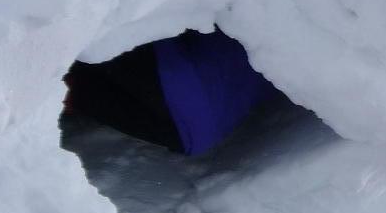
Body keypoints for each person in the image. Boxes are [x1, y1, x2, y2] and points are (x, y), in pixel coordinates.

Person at [63, 28, 297, 156]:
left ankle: (59, 79)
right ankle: (68, 89)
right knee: (82, 90)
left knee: (105, 30)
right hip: (195, 134)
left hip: (175, 79)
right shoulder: (292, 57)